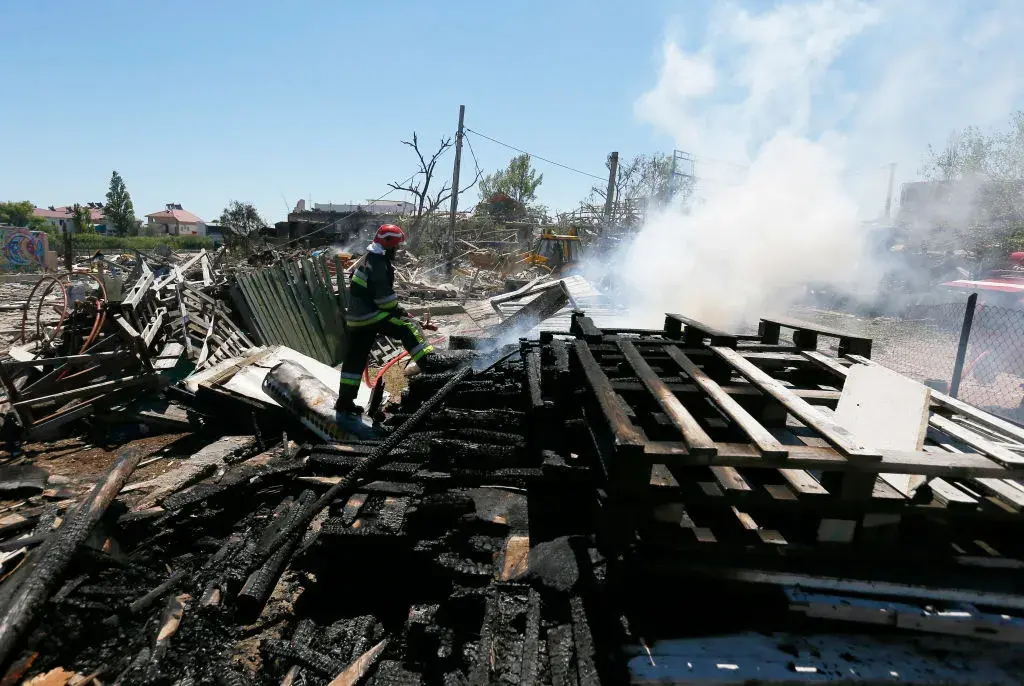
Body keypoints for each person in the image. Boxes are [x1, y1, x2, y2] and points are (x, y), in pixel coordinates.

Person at [336, 224, 434, 415]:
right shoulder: (378, 265)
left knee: (354, 359)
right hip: (371, 316)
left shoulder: (368, 259)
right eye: (396, 246)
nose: (397, 250)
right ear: (388, 245)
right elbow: (387, 303)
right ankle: (431, 367)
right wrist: (408, 316)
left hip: (356, 319)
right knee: (408, 328)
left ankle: (344, 402)